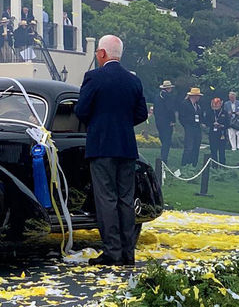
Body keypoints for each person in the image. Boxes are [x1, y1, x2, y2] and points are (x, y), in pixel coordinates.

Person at [74, 35, 148, 267]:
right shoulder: (133, 80)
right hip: (126, 146)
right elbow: (141, 114)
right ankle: (128, 253)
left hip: (102, 145)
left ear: (102, 54)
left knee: (106, 199)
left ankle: (112, 252)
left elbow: (81, 110)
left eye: (97, 52)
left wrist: (97, 123)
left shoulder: (94, 77)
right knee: (125, 199)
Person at [179, 87, 204, 167]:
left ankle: (194, 164)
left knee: (196, 146)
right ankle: (185, 163)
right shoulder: (185, 104)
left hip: (197, 127)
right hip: (189, 127)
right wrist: (187, 125)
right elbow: (181, 117)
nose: (199, 98)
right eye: (198, 96)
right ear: (194, 96)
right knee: (189, 146)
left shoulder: (198, 106)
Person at [154, 80, 177, 164]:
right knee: (167, 141)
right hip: (167, 121)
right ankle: (164, 159)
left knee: (163, 139)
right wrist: (173, 120)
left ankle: (162, 157)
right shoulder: (167, 96)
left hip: (159, 121)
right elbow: (170, 109)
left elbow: (155, 110)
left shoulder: (157, 96)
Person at [204, 97, 228, 167]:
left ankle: (222, 165)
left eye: (217, 104)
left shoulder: (224, 112)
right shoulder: (210, 112)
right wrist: (212, 124)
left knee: (222, 151)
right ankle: (214, 166)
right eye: (214, 104)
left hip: (222, 133)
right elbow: (206, 122)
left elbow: (228, 123)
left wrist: (222, 126)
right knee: (213, 150)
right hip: (213, 133)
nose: (216, 106)